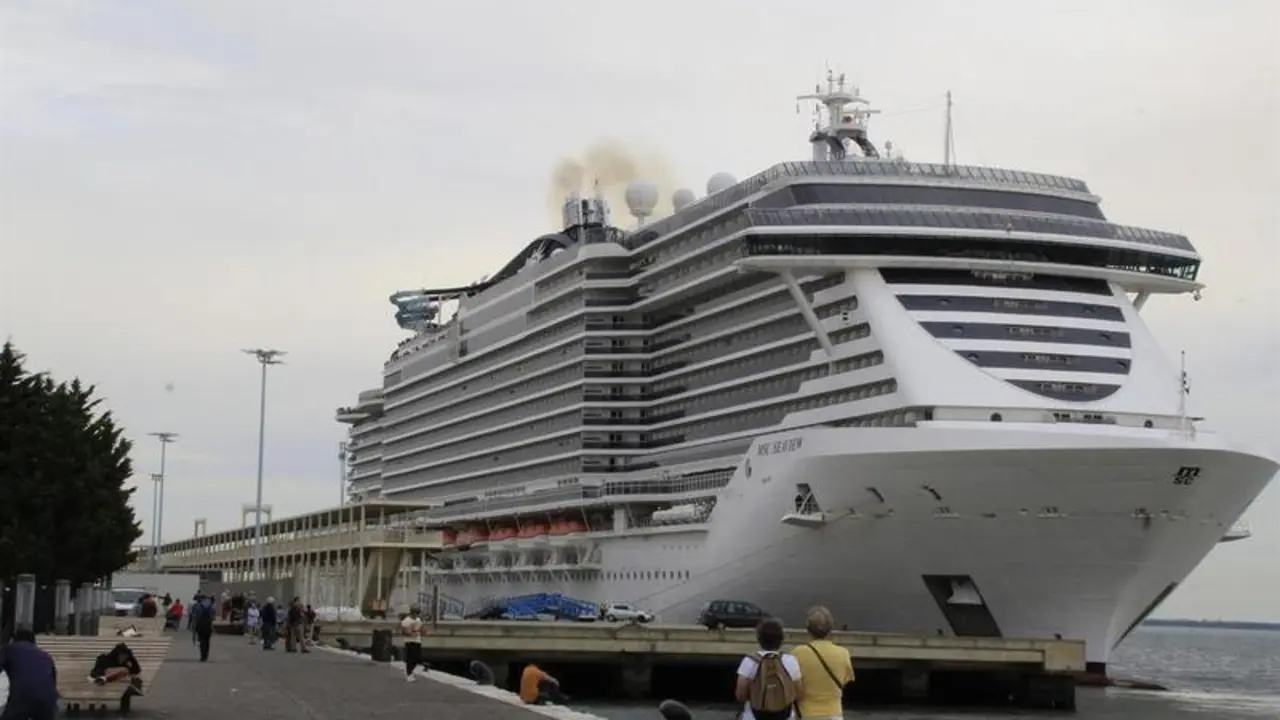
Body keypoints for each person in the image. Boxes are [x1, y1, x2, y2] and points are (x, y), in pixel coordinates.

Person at [735, 617, 802, 720]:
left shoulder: (749, 661)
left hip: (754, 716)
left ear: (759, 639)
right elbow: (798, 693)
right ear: (781, 639)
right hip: (784, 715)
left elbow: (740, 695)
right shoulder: (791, 661)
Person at [793, 606, 854, 720]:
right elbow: (844, 681)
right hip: (834, 714)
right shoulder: (843, 653)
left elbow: (794, 687)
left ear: (808, 629)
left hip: (807, 714)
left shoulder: (797, 653)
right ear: (830, 628)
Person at [0, 629, 59, 720]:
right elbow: (53, 679)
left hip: (22, 695)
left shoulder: (10, 649)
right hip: (48, 698)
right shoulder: (45, 655)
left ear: (13, 640)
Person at [400, 606, 427, 682]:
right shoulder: (406, 621)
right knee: (411, 658)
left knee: (418, 658)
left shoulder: (418, 620)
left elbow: (421, 628)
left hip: (417, 641)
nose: (417, 615)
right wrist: (410, 634)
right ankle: (409, 674)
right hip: (409, 641)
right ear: (412, 613)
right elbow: (403, 632)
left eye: (418, 613)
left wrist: (423, 632)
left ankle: (409, 671)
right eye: (416, 613)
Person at [191, 593, 216, 662]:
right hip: (208, 625)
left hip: (200, 625)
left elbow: (194, 618)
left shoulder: (195, 606)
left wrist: (193, 630)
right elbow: (213, 617)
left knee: (202, 641)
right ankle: (206, 655)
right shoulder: (211, 606)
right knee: (207, 641)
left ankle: (202, 656)